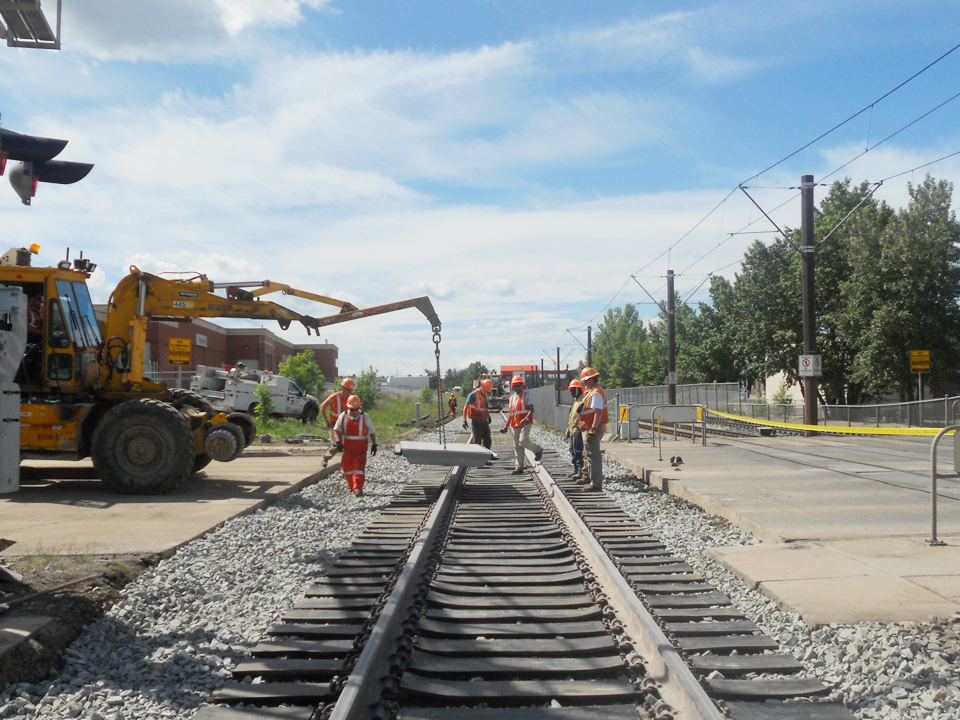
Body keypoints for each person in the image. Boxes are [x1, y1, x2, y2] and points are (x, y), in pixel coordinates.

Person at [332, 395, 377, 497]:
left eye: (355, 409)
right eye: (351, 409)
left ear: (359, 407)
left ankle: (358, 488)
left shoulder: (365, 417)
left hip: (360, 448)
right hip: (347, 447)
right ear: (348, 407)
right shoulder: (343, 416)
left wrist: (374, 444)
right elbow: (336, 430)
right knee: (346, 466)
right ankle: (351, 485)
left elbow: (371, 431)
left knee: (359, 468)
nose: (353, 412)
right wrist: (338, 442)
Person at [499, 375, 541, 474]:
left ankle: (538, 450)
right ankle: (519, 468)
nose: (516, 388)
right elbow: (511, 413)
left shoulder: (527, 396)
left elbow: (532, 409)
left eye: (518, 385)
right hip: (514, 424)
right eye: (515, 386)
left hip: (525, 423)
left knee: (523, 441)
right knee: (517, 447)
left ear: (522, 386)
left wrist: (526, 419)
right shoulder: (511, 398)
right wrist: (506, 426)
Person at [576, 366, 607, 490]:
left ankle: (596, 483)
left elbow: (598, 412)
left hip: (592, 427)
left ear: (590, 380)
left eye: (585, 380)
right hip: (588, 427)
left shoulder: (596, 393)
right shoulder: (592, 391)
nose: (584, 383)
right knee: (588, 453)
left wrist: (593, 429)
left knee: (593, 454)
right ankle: (590, 478)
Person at [320, 377, 356, 468]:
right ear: (343, 388)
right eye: (348, 390)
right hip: (334, 425)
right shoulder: (334, 397)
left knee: (348, 446)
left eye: (350, 390)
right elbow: (322, 406)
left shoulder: (350, 399)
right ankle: (325, 457)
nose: (349, 392)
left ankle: (346, 468)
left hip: (345, 425)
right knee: (337, 444)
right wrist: (326, 421)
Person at [463, 378, 499, 458]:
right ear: (483, 387)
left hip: (484, 422)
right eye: (487, 390)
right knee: (477, 442)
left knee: (487, 441)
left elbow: (484, 408)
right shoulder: (473, 395)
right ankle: (477, 460)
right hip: (476, 422)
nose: (488, 392)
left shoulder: (485, 395)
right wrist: (464, 420)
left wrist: (488, 416)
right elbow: (466, 407)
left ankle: (485, 457)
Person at [565, 378, 585, 480]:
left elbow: (582, 416)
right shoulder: (576, 401)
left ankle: (580, 470)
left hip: (578, 430)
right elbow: (572, 416)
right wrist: (568, 429)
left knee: (578, 450)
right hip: (573, 429)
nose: (571, 392)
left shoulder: (582, 401)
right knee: (572, 450)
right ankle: (575, 469)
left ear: (578, 389)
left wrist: (577, 428)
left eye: (573, 390)